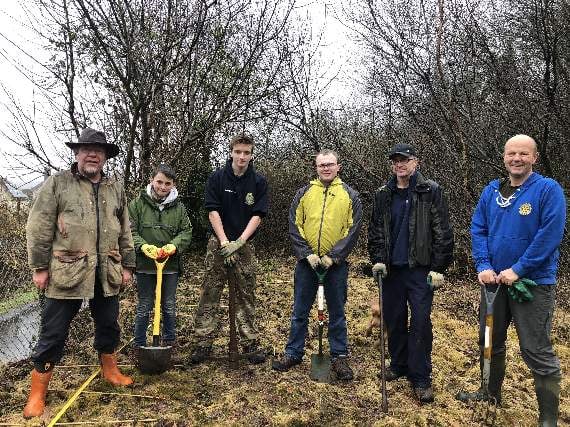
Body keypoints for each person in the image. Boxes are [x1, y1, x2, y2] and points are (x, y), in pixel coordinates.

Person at [23, 128, 135, 419]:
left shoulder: (115, 187)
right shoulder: (57, 183)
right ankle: (37, 394)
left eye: (98, 151)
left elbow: (125, 229)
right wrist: (39, 267)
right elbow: (38, 227)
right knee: (53, 332)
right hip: (67, 272)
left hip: (106, 271)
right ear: (77, 153)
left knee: (109, 324)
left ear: (105, 156)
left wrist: (128, 265)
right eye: (86, 149)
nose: (92, 154)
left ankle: (109, 369)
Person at [456, 134, 566, 426]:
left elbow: (549, 236)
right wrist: (483, 264)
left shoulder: (547, 190)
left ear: (535, 158)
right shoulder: (492, 191)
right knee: (490, 340)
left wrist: (519, 269)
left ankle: (548, 418)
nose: (516, 158)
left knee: (535, 348)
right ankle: (489, 393)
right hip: (493, 283)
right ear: (504, 157)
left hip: (532, 285)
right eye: (511, 153)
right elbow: (478, 229)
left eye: (523, 154)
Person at [367, 143, 454, 403]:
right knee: (394, 320)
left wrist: (439, 267)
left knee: (420, 323)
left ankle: (420, 377)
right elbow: (376, 232)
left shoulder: (430, 191)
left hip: (420, 271)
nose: (400, 165)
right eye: (395, 161)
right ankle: (399, 364)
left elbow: (443, 231)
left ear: (415, 162)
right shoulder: (383, 194)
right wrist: (379, 260)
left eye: (404, 160)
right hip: (392, 270)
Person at [272, 149, 362, 381]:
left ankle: (339, 356)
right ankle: (293, 352)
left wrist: (334, 256)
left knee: (337, 311)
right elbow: (295, 224)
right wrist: (306, 254)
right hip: (307, 265)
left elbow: (352, 231)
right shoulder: (303, 194)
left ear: (338, 166)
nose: (326, 168)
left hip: (336, 266)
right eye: (322, 165)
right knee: (300, 311)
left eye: (330, 164)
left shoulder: (350, 195)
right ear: (316, 167)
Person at [190, 133, 268, 364]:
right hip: (219, 244)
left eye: (247, 153)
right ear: (231, 152)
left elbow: (258, 214)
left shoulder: (258, 182)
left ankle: (249, 343)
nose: (242, 156)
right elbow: (212, 210)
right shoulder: (217, 178)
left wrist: (240, 242)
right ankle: (203, 343)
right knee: (210, 292)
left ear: (252, 155)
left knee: (246, 294)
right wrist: (224, 242)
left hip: (244, 244)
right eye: (238, 152)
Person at [128, 164, 192, 353]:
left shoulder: (179, 208)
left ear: (173, 185)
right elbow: (129, 231)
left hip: (169, 266)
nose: (163, 187)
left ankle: (169, 344)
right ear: (152, 180)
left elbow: (186, 231)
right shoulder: (137, 205)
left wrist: (174, 246)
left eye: (167, 183)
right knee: (144, 305)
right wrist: (143, 246)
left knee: (169, 305)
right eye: (159, 182)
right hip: (145, 266)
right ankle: (139, 345)